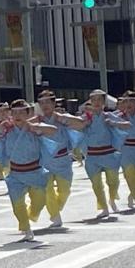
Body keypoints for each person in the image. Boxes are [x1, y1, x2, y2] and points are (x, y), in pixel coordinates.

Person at [0, 100, 57, 242]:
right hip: (15, 173)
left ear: (28, 113)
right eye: (14, 112)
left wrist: (35, 127)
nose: (18, 115)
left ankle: (31, 215)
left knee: (39, 202)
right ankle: (26, 228)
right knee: (17, 204)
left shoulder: (34, 128)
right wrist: (0, 126)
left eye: (22, 112)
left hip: (35, 171)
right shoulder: (7, 130)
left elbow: (53, 130)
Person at [31, 90, 85, 226]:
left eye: (48, 102)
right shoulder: (37, 120)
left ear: (54, 103)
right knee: (48, 190)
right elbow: (22, 126)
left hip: (63, 160)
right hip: (44, 162)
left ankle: (55, 209)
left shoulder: (62, 118)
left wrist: (63, 118)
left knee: (64, 191)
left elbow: (81, 123)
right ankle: (55, 215)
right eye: (41, 103)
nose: (45, 105)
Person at [81, 89, 129, 218]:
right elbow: (73, 126)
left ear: (104, 102)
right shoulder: (86, 117)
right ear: (90, 102)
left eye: (99, 100)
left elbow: (127, 125)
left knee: (113, 182)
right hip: (92, 155)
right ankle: (103, 207)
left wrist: (113, 123)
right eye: (94, 100)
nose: (96, 103)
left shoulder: (108, 115)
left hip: (109, 153)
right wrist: (84, 124)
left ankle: (112, 199)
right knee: (96, 185)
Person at [117, 90, 135, 210]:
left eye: (132, 101)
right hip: (126, 150)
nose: (129, 104)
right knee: (130, 176)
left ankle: (133, 194)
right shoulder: (118, 117)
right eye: (126, 101)